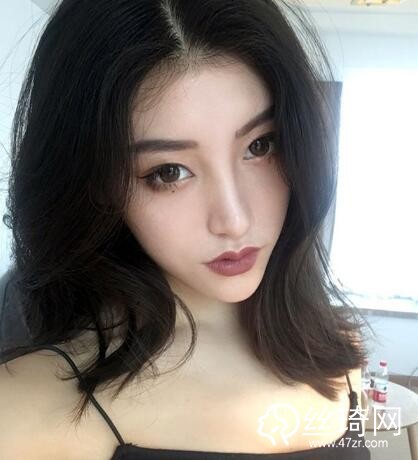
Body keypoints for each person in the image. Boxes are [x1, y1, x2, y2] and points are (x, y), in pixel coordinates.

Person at [0, 0, 374, 458]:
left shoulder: (339, 351)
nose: (234, 220)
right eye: (169, 172)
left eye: (260, 145)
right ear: (96, 187)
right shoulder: (28, 410)